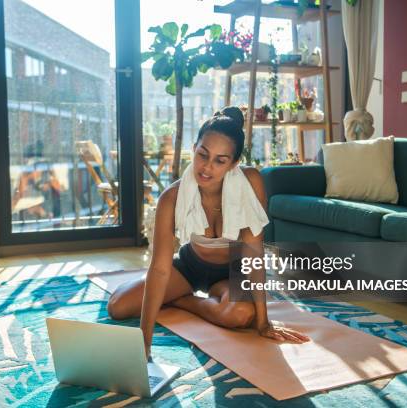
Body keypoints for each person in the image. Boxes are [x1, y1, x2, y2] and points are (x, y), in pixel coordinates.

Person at [107, 107, 310, 358]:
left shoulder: (250, 183)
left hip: (228, 274)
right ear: (194, 148)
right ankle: (173, 292)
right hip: (189, 266)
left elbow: (252, 255)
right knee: (118, 306)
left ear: (234, 163)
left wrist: (263, 322)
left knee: (242, 314)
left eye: (220, 160)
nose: (206, 167)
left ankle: (182, 301)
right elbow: (160, 268)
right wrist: (144, 343)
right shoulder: (171, 197)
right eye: (203, 154)